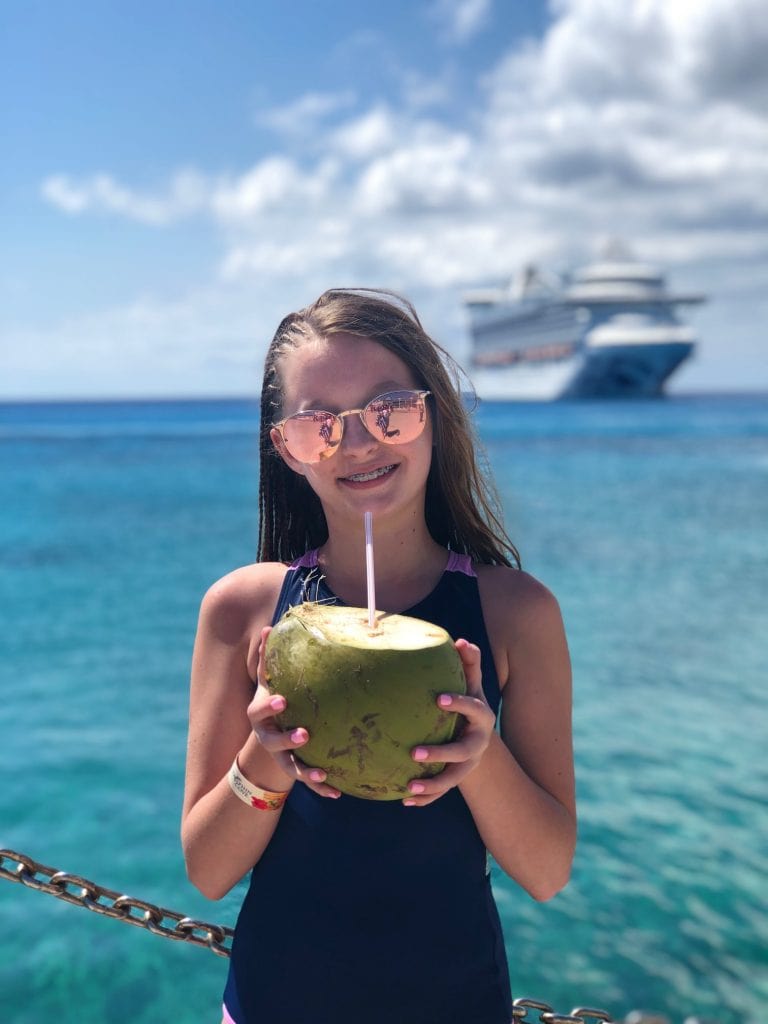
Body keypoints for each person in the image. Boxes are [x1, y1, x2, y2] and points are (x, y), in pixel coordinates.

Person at [181, 289, 576, 1024]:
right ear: (287, 448)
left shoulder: (517, 612)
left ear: (435, 417)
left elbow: (548, 871)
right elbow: (207, 871)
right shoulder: (241, 611)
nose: (358, 443)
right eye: (319, 424)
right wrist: (266, 754)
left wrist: (478, 752)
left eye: (389, 409)